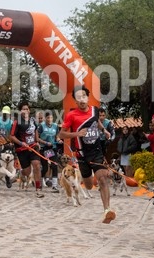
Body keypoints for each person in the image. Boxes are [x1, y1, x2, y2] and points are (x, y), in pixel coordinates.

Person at [59, 85, 114, 223]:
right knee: (89, 185)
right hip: (82, 155)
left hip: (96, 152)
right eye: (79, 98)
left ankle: (107, 210)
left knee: (103, 179)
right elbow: (61, 134)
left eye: (84, 96)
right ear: (75, 101)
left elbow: (97, 122)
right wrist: (77, 134)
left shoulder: (95, 110)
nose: (82, 99)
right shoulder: (71, 115)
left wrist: (104, 131)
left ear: (88, 97)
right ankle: (91, 180)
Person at [9, 101, 44, 198]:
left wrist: (37, 141)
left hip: (33, 147)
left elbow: (35, 130)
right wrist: (21, 143)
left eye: (27, 109)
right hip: (22, 149)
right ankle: (20, 173)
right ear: (20, 111)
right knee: (27, 172)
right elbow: (11, 136)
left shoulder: (32, 120)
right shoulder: (17, 122)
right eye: (23, 109)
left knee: (37, 165)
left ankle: (38, 190)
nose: (26, 111)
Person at [37, 111, 62, 192]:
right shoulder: (41, 126)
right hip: (44, 148)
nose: (49, 119)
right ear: (45, 118)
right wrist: (45, 142)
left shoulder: (55, 126)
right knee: (45, 168)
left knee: (54, 165)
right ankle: (40, 182)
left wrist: (59, 140)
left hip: (52, 148)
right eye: (48, 118)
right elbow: (37, 138)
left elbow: (57, 136)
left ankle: (54, 186)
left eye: (51, 118)